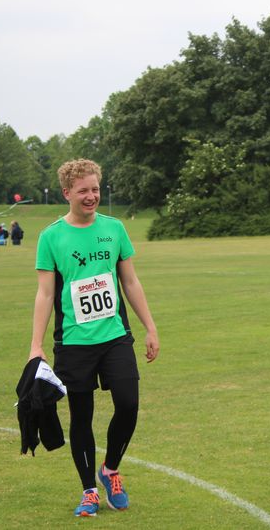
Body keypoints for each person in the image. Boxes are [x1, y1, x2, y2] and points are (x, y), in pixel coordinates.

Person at [27, 158, 160, 517]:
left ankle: (110, 469)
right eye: (83, 190)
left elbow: (130, 282)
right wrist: (36, 347)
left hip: (115, 336)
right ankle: (89, 490)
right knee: (80, 417)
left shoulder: (114, 229)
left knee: (129, 404)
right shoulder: (51, 236)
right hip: (73, 342)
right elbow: (44, 294)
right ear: (67, 192)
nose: (91, 196)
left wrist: (150, 327)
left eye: (96, 189)